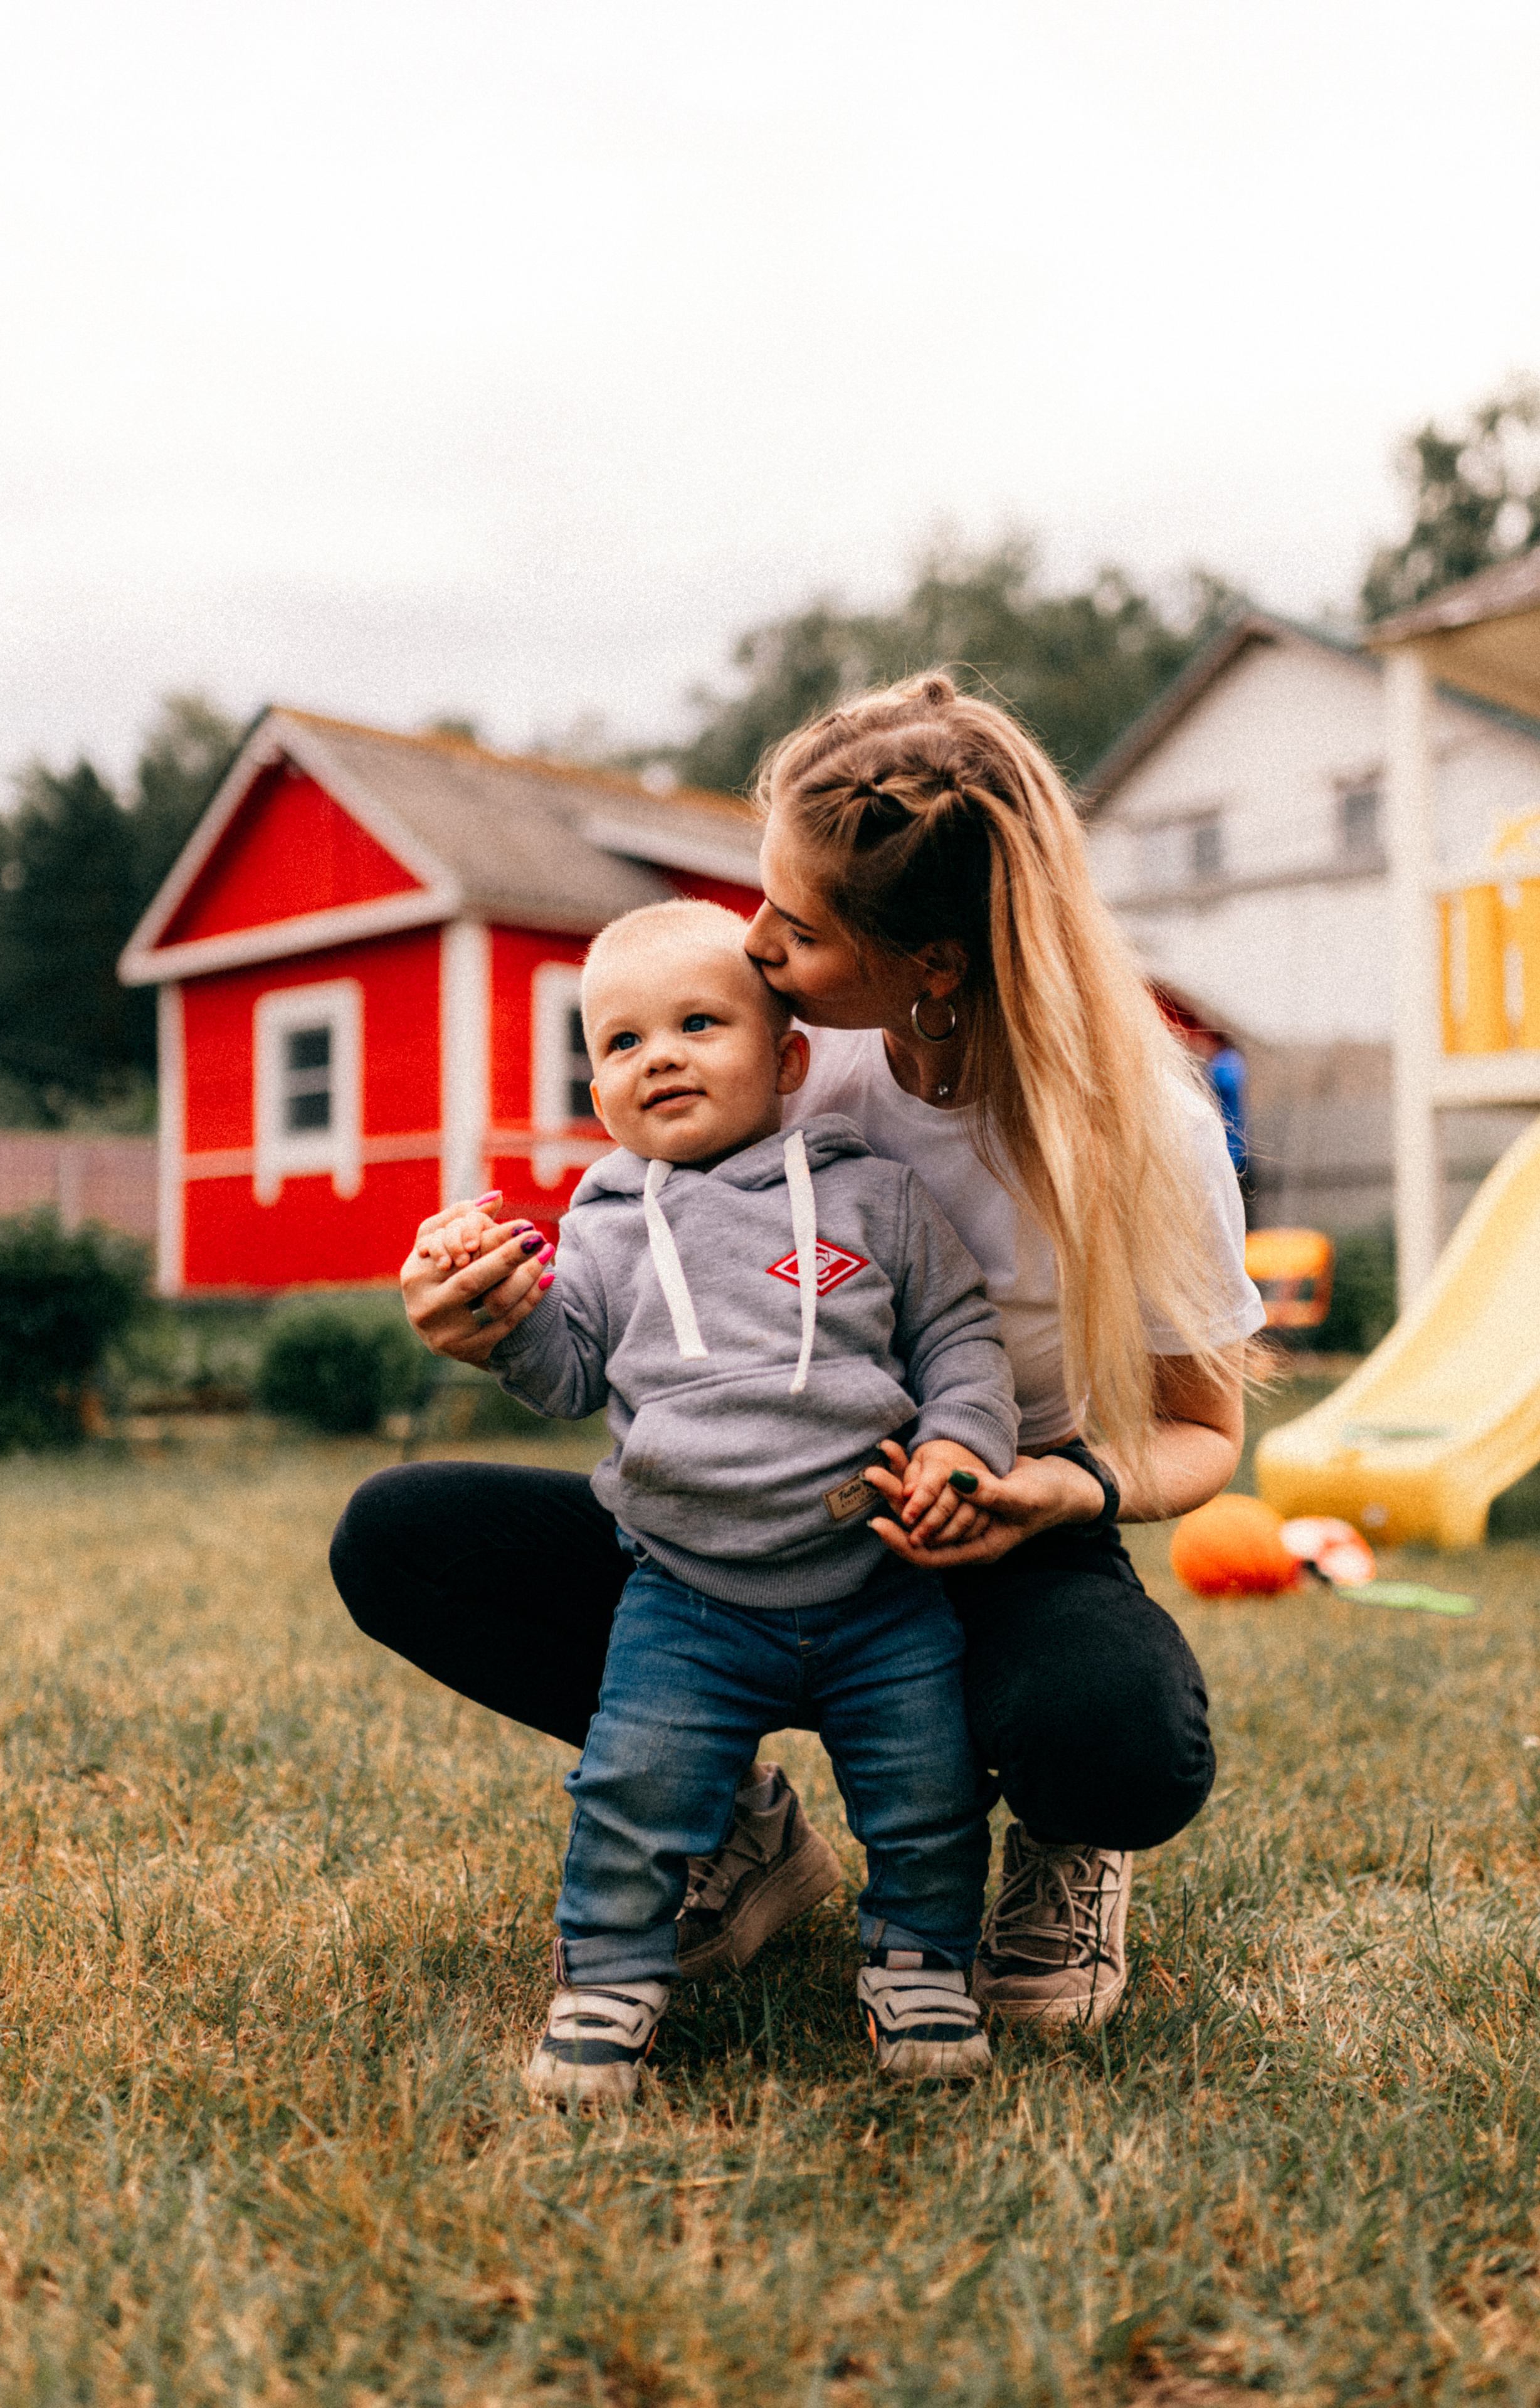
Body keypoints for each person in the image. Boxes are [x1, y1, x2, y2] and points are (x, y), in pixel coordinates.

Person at [330, 670, 1264, 2047]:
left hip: (990, 1522)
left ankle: (1064, 1842)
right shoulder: (783, 1059)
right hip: (728, 1538)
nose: (754, 950)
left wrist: (1047, 1490)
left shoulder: (1146, 1134)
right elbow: (612, 1266)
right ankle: (732, 1825)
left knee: (1119, 1734)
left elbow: (1202, 1432)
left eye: (800, 927)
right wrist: (479, 1302)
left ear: (932, 962)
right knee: (400, 1536)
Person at [470, 898, 1016, 2103]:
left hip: (881, 1577)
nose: (657, 1055)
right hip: (690, 1597)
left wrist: (963, 1445)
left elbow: (962, 1340)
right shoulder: (603, 1230)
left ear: (785, 1059)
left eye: (697, 1023)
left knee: (927, 1787)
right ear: (598, 1089)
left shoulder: (874, 1196)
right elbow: (566, 1379)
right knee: (634, 1789)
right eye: (619, 1044)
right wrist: (507, 1329)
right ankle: (609, 1980)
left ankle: (921, 1965)